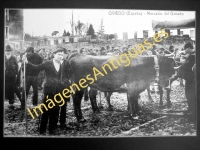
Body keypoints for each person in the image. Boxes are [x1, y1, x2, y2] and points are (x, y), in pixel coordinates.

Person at [22, 47, 70, 134]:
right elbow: (37, 68)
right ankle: (42, 129)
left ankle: (52, 128)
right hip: (48, 90)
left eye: (62, 55)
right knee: (46, 110)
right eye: (59, 54)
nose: (61, 56)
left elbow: (64, 76)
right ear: (54, 55)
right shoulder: (48, 63)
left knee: (56, 110)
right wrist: (27, 62)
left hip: (58, 90)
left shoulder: (62, 65)